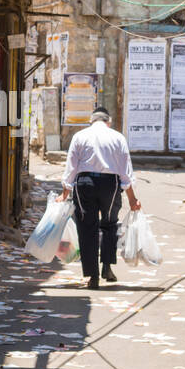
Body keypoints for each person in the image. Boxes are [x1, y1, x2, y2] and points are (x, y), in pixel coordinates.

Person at [61, 107, 141, 290]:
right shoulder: (118, 137)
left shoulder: (80, 136)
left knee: (87, 227)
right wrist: (132, 199)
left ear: (91, 121)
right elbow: (125, 170)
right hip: (110, 185)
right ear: (108, 122)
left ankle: (93, 276)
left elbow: (71, 167)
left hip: (85, 183)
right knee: (109, 223)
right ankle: (107, 267)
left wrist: (64, 193)